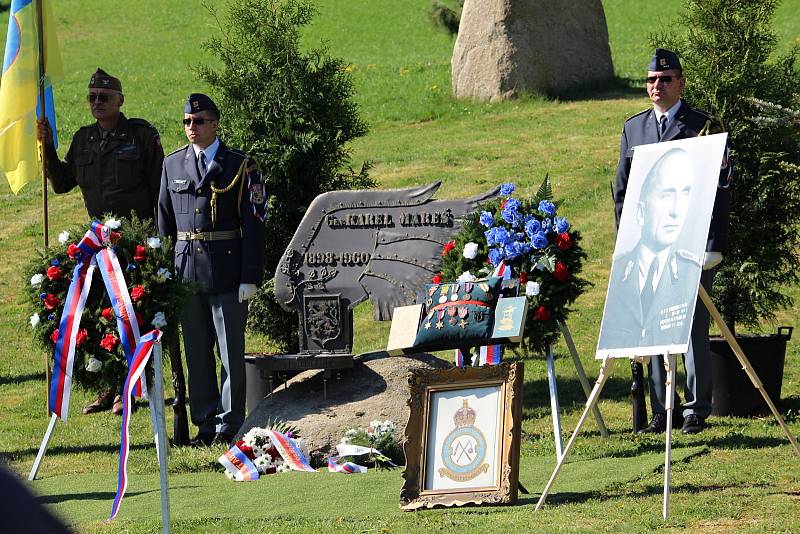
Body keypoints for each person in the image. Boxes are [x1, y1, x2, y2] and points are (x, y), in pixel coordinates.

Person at [612, 48, 731, 435]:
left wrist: (712, 243)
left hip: (690, 244)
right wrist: (627, 241)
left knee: (693, 325)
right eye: (650, 80)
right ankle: (664, 408)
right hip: (649, 246)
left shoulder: (703, 126)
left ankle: (696, 407)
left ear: (680, 83)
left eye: (664, 80)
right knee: (655, 325)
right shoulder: (635, 129)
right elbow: (623, 191)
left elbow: (720, 190)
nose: (656, 87)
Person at [37, 68, 164, 416]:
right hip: (97, 245)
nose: (97, 102)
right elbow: (63, 183)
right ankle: (107, 388)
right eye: (92, 97)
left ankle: (130, 388)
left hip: (135, 243)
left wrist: (156, 239)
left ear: (120, 101)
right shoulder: (83, 140)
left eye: (104, 97)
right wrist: (47, 146)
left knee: (131, 315)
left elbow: (158, 189)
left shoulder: (140, 135)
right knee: (101, 318)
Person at [157, 94, 267, 447]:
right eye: (188, 121)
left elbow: (254, 224)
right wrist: (163, 276)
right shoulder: (173, 164)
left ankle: (229, 422)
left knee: (229, 351)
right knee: (197, 351)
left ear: (216, 123)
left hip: (227, 270)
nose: (193, 128)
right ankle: (204, 423)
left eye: (200, 121)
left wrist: (249, 276)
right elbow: (164, 224)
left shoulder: (239, 165)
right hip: (187, 272)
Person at [599, 148, 703, 351]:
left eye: (684, 194)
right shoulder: (621, 271)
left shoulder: (689, 272)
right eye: (666, 195)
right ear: (640, 211)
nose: (675, 211)